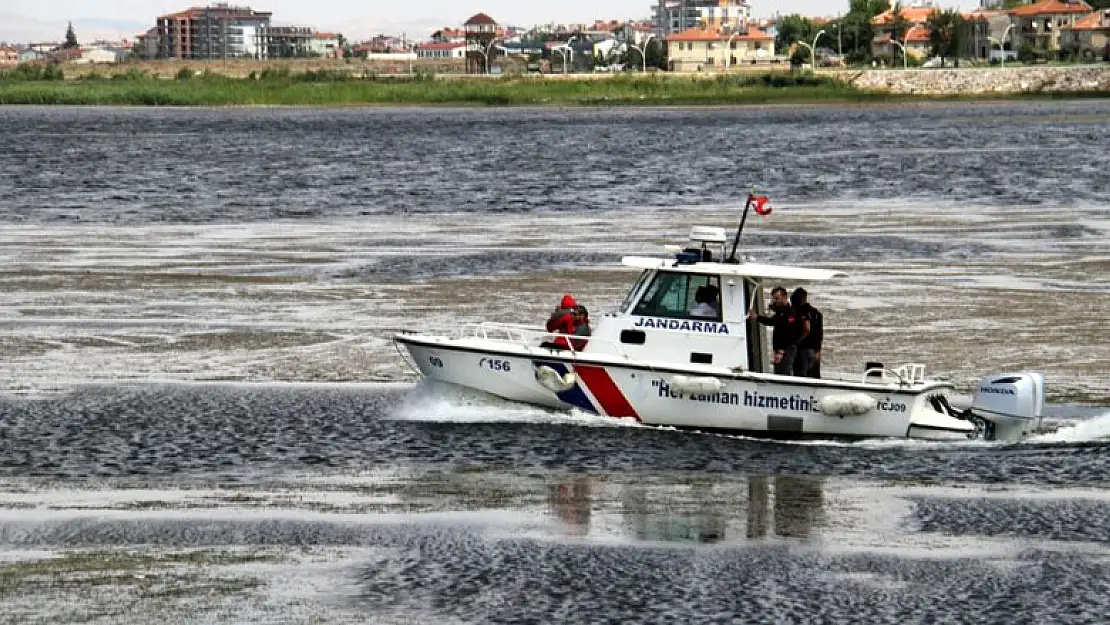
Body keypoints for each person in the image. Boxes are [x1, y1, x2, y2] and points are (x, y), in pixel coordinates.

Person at [748, 286, 809, 375]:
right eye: (774, 299)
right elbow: (772, 321)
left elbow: (788, 333)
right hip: (782, 348)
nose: (775, 301)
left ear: (784, 297)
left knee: (784, 373)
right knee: (779, 371)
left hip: (786, 349)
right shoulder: (781, 312)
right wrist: (757, 317)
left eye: (777, 298)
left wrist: (781, 351)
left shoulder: (789, 313)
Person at [792, 287, 823, 378]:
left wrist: (796, 342)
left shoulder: (801, 312)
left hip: (803, 349)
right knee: (814, 376)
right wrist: (818, 351)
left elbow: (806, 329)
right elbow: (820, 334)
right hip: (815, 350)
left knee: (801, 375)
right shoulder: (817, 313)